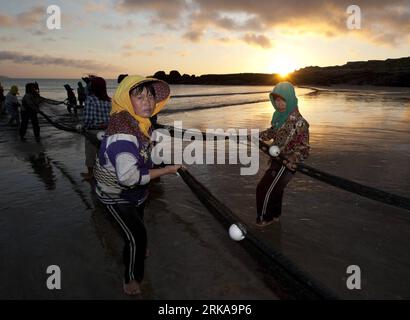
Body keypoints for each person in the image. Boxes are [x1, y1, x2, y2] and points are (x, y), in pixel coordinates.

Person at [93, 75, 181, 295]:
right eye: (139, 97)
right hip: (115, 194)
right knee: (137, 235)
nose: (148, 102)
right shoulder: (123, 134)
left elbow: (142, 156)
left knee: (137, 226)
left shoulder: (139, 123)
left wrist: (157, 162)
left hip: (137, 194)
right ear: (124, 99)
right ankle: (132, 278)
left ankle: (137, 248)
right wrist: (167, 170)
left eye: (150, 97)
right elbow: (128, 177)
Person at [256, 82, 310, 226]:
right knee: (277, 189)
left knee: (264, 188)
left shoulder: (300, 123)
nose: (279, 104)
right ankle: (275, 215)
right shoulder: (279, 118)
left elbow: (304, 148)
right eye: (276, 100)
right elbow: (272, 132)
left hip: (286, 163)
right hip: (276, 159)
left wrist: (293, 157)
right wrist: (257, 136)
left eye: (282, 100)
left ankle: (264, 218)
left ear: (290, 98)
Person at [82, 77, 111, 180]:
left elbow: (88, 119)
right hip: (107, 131)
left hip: (94, 132)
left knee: (90, 152)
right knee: (102, 153)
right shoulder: (109, 100)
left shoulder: (90, 99)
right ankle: (103, 173)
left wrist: (83, 127)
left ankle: (91, 174)